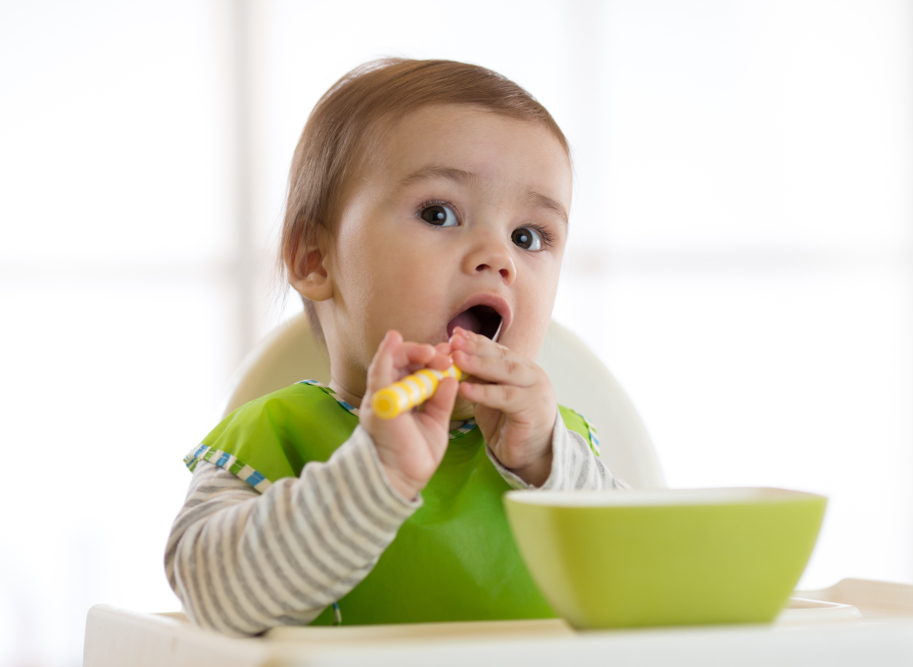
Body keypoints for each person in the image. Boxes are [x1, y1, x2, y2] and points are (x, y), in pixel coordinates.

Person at [164, 58, 626, 637]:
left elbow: (652, 584)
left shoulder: (559, 455)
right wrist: (373, 477)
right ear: (315, 258)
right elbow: (214, 597)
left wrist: (546, 463)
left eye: (528, 237)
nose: (497, 257)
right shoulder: (273, 439)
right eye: (439, 213)